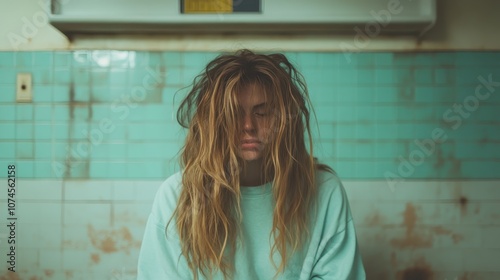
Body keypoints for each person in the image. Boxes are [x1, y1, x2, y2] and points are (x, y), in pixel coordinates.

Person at [137, 49, 366, 280]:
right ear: (213, 124)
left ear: (286, 121)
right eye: (234, 114)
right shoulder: (177, 195)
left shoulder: (325, 191)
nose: (248, 126)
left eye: (263, 113)